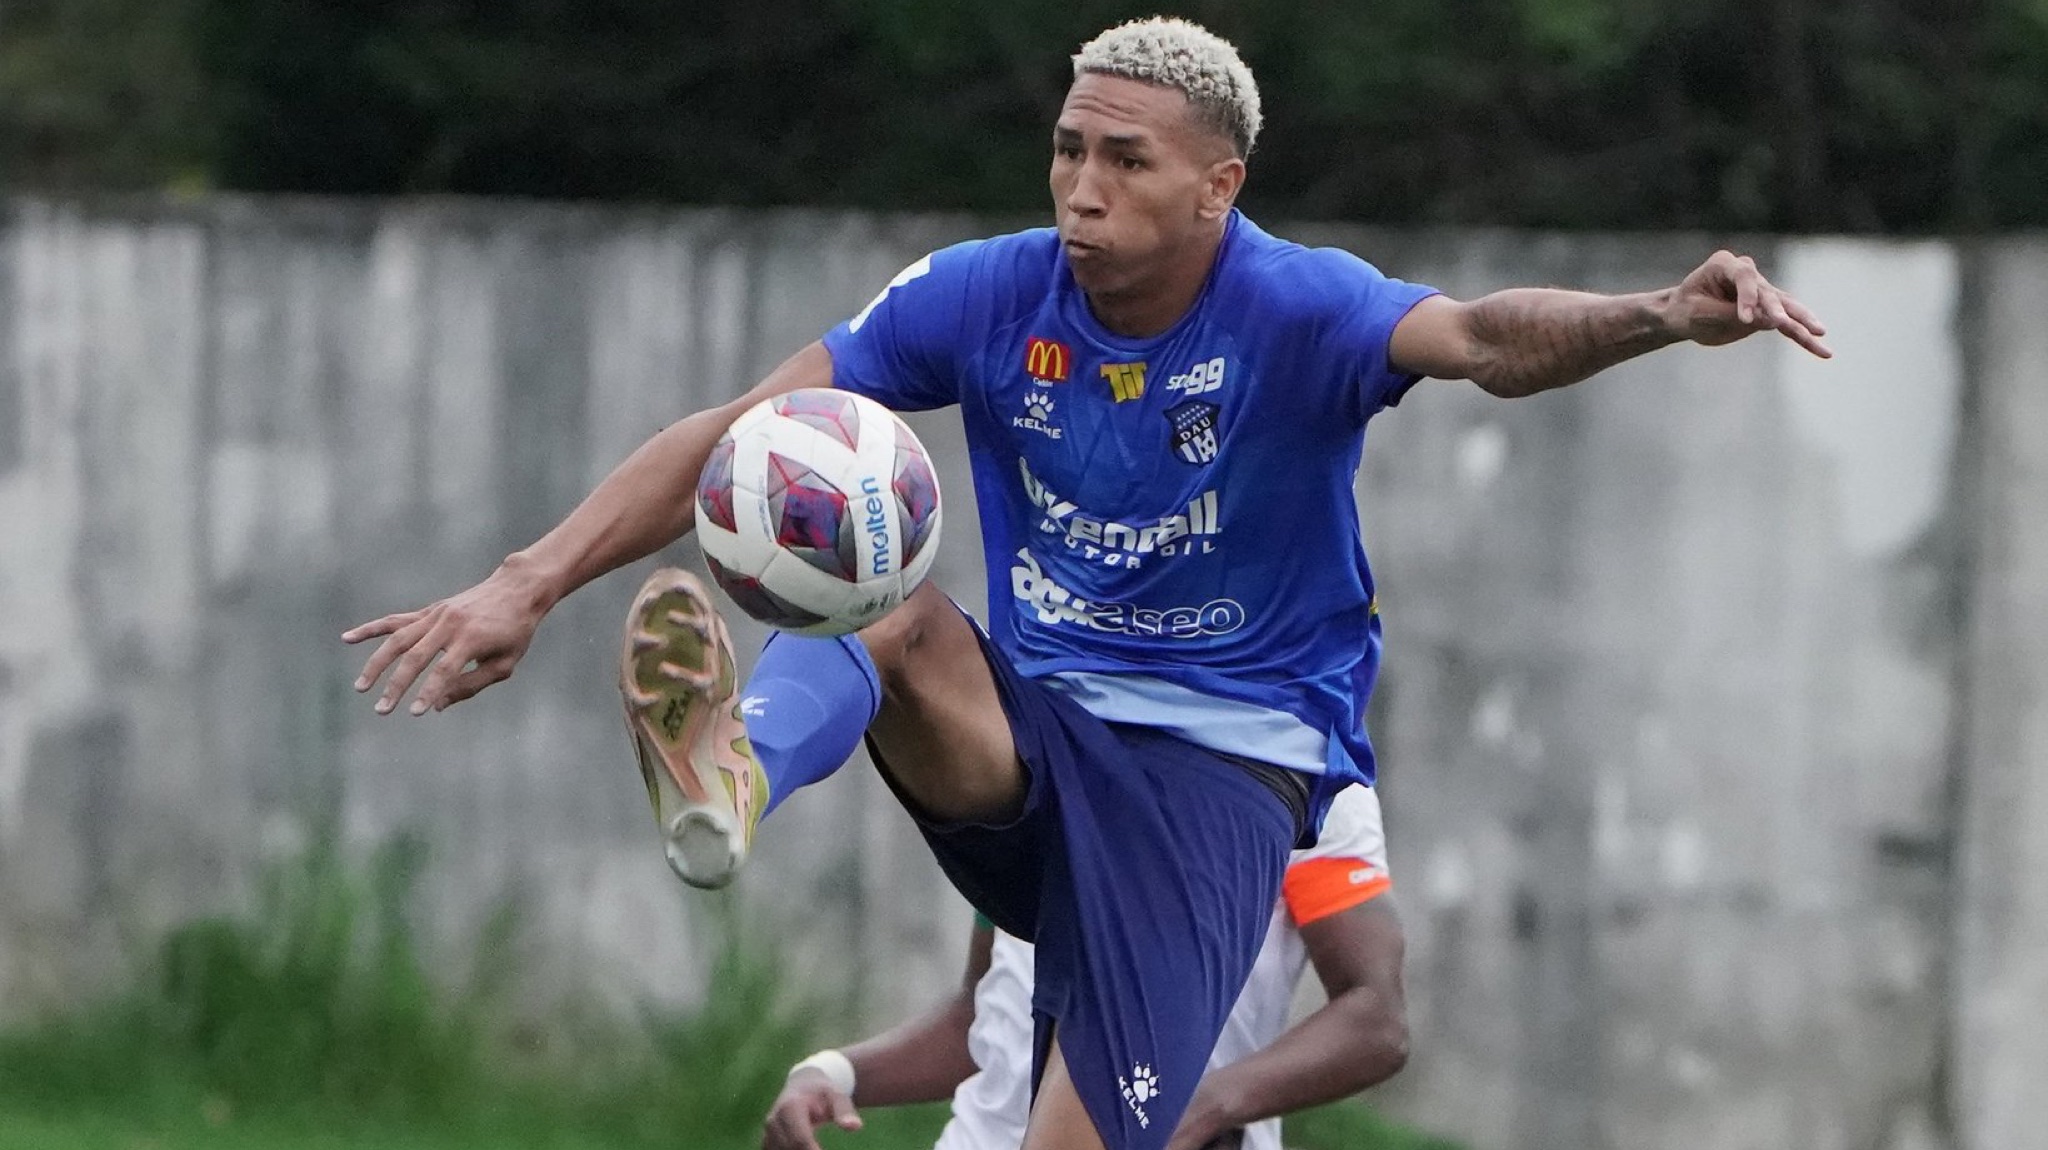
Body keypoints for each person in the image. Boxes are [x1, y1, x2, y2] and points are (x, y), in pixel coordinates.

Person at [344, 16, 1830, 1150]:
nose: (1081, 186)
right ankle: (734, 773)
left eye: (1126, 160)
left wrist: (1657, 313)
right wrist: (526, 582)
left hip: (1220, 777)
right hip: (1040, 736)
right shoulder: (984, 293)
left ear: (1217, 186)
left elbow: (1486, 338)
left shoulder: (1297, 304)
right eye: (1068, 149)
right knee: (882, 593)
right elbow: (741, 430)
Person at [763, 784, 1405, 1150]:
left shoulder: (1304, 770)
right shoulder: (1035, 747)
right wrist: (834, 1072)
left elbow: (1376, 1018)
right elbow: (985, 1017)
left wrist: (1200, 1107)